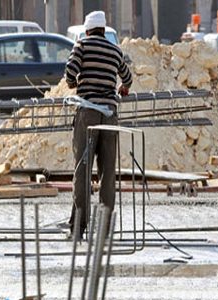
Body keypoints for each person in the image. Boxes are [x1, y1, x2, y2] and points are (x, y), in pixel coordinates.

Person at [64, 11, 132, 240]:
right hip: (110, 115)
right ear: (103, 30)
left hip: (88, 114)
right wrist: (122, 89)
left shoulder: (81, 45)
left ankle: (79, 226)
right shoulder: (115, 50)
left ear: (88, 29)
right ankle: (104, 228)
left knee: (83, 169)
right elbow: (128, 77)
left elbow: (70, 73)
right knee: (107, 171)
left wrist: (75, 83)